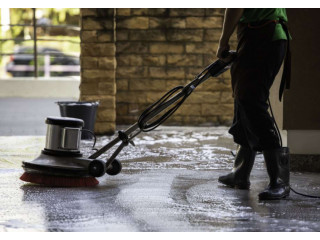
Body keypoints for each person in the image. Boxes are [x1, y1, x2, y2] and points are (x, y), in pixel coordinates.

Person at [216, 9, 291, 200]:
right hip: (256, 35)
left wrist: (223, 41)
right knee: (243, 99)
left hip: (264, 35)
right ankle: (240, 173)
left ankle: (279, 180)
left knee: (251, 101)